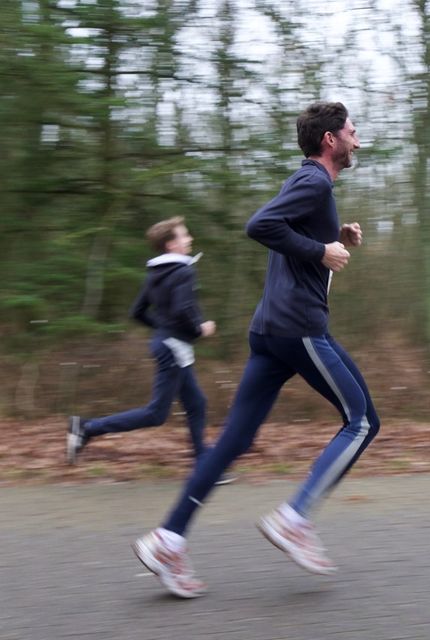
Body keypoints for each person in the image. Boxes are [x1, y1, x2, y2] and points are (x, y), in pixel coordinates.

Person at [133, 101, 380, 599]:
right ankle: (295, 518)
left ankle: (167, 539)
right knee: (363, 421)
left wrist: (335, 235)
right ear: (330, 139)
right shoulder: (314, 182)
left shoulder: (307, 181)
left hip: (269, 330)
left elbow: (288, 227)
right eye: (352, 132)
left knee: (231, 444)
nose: (358, 139)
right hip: (299, 328)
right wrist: (321, 250)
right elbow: (260, 226)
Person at [67, 217, 228, 485]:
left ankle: (203, 466)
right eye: (185, 235)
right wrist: (201, 328)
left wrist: (163, 330)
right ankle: (86, 428)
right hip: (173, 348)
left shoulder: (156, 272)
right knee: (156, 414)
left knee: (196, 403)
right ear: (171, 244)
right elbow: (182, 310)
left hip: (167, 344)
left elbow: (137, 312)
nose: (190, 239)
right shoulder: (184, 272)